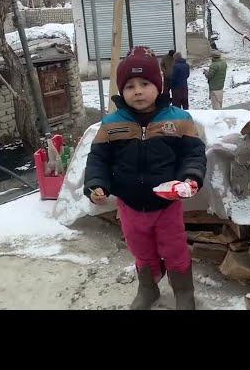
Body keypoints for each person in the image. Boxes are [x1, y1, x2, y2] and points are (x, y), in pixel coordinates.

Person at [84, 46, 206, 310]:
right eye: (129, 86)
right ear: (121, 90)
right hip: (129, 207)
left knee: (174, 250)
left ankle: (184, 293)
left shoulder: (179, 119)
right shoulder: (110, 125)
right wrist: (96, 184)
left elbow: (193, 155)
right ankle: (148, 288)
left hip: (167, 206)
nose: (137, 90)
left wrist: (191, 177)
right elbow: (98, 160)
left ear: (159, 86)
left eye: (144, 83)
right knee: (141, 251)